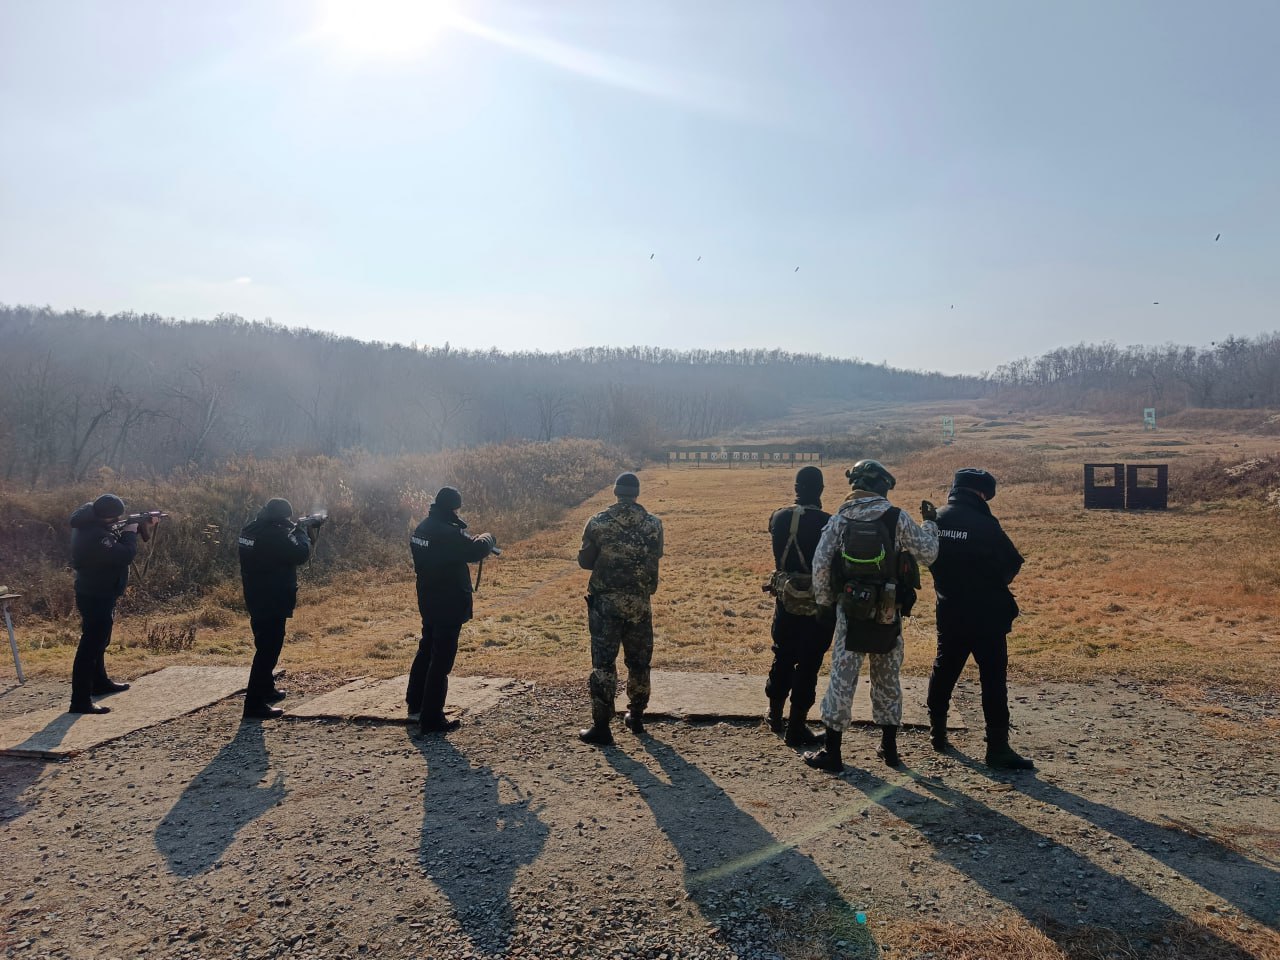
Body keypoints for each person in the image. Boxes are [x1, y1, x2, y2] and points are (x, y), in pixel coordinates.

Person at [805, 459, 939, 772]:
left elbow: (820, 564)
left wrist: (824, 604)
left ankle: (833, 752)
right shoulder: (896, 517)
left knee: (842, 678)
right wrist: (931, 524)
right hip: (888, 609)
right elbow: (929, 553)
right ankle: (889, 749)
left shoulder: (840, 518)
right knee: (887, 677)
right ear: (882, 486)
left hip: (850, 610)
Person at [926, 468, 1034, 770]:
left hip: (949, 609)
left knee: (944, 669)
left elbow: (927, 557)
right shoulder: (985, 524)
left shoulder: (936, 520)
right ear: (981, 493)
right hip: (987, 614)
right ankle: (997, 748)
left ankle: (938, 733)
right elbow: (1011, 563)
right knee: (993, 679)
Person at [577, 472, 664, 746]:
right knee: (639, 663)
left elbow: (585, 561)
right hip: (639, 603)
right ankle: (636, 716)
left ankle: (602, 727)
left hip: (606, 604)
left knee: (603, 665)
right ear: (636, 494)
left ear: (616, 492)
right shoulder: (654, 524)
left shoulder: (598, 522)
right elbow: (656, 555)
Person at [407, 487, 496, 735]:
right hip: (448, 600)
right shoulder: (446, 532)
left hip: (428, 597)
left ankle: (415, 703)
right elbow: (475, 550)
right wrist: (488, 538)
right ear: (453, 508)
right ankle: (432, 717)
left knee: (427, 647)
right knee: (442, 659)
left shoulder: (423, 528)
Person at [765, 466, 836, 747]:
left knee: (782, 654)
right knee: (809, 663)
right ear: (821, 490)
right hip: (817, 605)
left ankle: (774, 716)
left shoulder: (778, 517)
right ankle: (796, 727)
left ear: (796, 488)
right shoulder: (828, 522)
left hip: (786, 601)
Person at [67, 494, 156, 714]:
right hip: (96, 593)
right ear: (105, 517)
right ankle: (80, 701)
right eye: (115, 518)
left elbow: (112, 544)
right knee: (90, 647)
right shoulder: (95, 534)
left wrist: (135, 527)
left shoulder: (90, 523)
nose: (117, 520)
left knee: (100, 641)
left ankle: (99, 683)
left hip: (98, 591)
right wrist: (130, 532)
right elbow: (124, 555)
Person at [238, 498, 319, 720]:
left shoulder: (251, 529)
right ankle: (254, 704)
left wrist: (293, 528)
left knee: (263, 643)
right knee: (268, 650)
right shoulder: (274, 535)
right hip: (272, 597)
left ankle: (266, 689)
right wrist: (301, 531)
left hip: (255, 595)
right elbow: (300, 553)